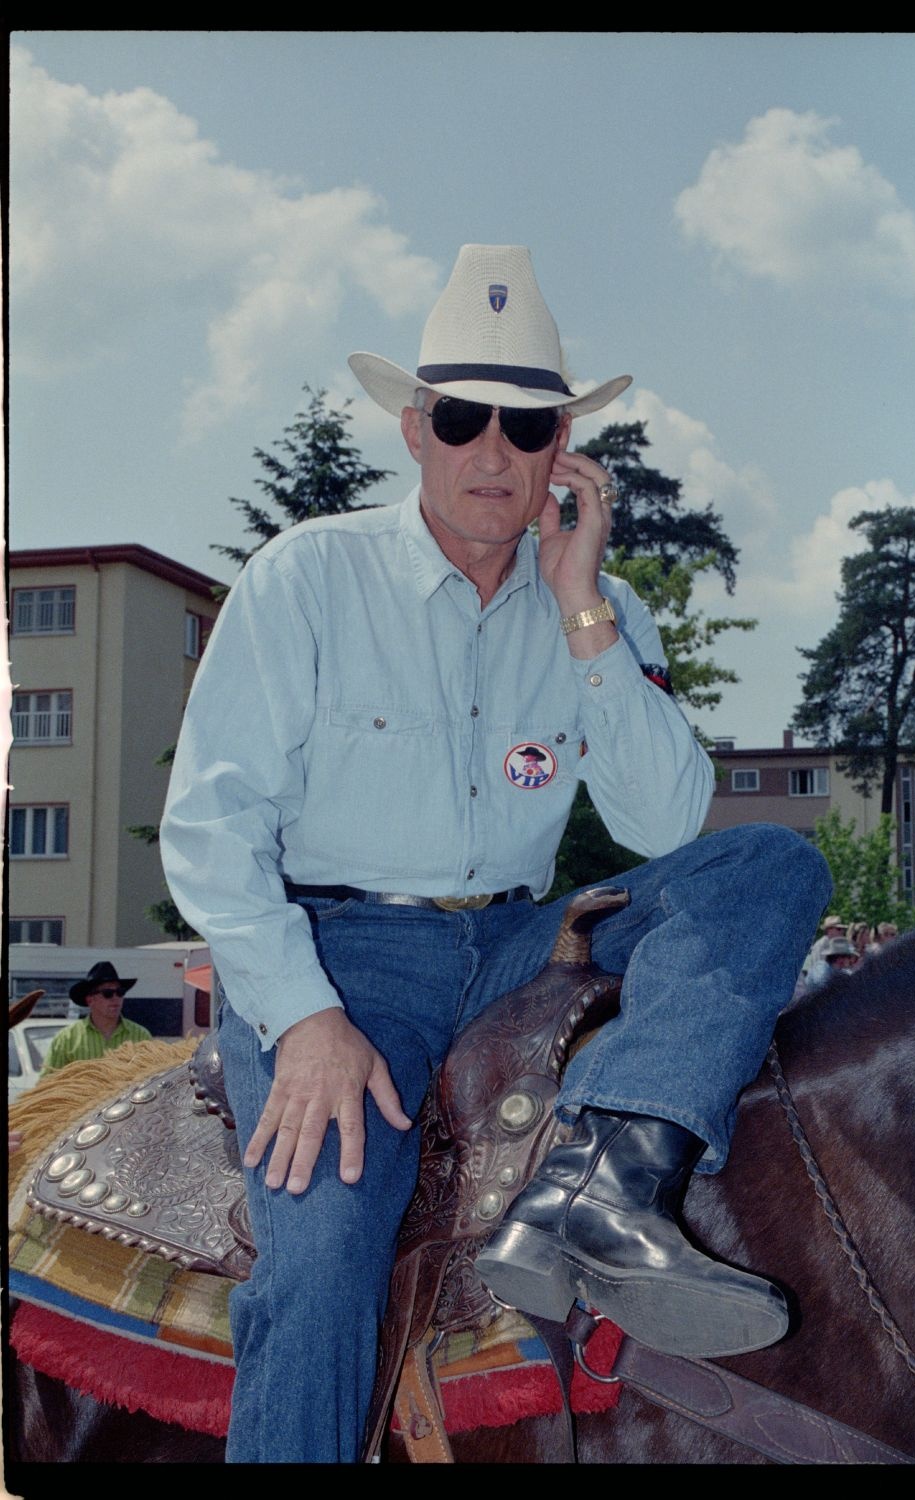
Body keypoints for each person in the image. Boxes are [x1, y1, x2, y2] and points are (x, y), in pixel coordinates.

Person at [161, 244, 831, 1464]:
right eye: (463, 417)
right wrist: (304, 1018)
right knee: (321, 1257)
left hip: (526, 934)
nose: (492, 451)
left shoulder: (604, 610)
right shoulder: (308, 578)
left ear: (561, 443)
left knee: (772, 868)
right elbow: (210, 831)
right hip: (347, 949)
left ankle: (607, 1182)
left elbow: (666, 823)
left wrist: (582, 601)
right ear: (416, 429)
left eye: (524, 425)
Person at [41, 962, 151, 1073]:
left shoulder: (141, 1036)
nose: (115, 998)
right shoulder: (67, 1039)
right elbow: (46, 1083)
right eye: (108, 993)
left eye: (120, 992)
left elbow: (155, 1078)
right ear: (90, 1000)